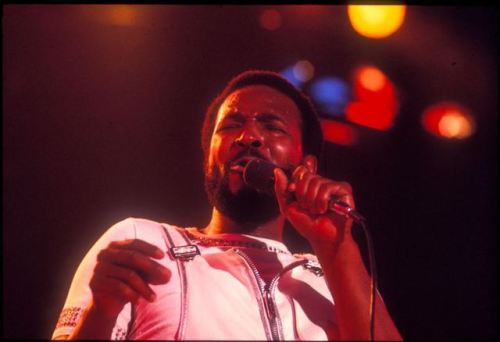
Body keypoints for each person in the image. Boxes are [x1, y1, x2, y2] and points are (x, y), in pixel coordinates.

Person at [52, 70, 402, 340]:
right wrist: (100, 312)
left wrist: (337, 248)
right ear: (209, 158)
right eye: (232, 125)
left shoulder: (331, 275)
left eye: (272, 126)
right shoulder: (143, 241)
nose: (247, 137)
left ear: (307, 167)